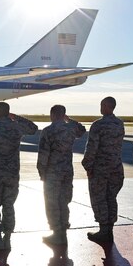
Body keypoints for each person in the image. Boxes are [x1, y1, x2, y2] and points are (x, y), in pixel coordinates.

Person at [0, 102, 37, 250]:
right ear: (8, 113)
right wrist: (16, 118)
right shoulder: (16, 127)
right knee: (8, 205)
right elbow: (33, 128)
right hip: (12, 175)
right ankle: (8, 237)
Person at [37, 105, 86, 245]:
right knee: (64, 201)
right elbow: (82, 130)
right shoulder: (70, 128)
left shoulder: (48, 131)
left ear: (52, 114)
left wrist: (41, 172)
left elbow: (43, 154)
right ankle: (63, 229)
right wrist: (69, 120)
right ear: (63, 114)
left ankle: (57, 233)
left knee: (52, 202)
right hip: (67, 171)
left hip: (52, 173)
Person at [82, 97, 125, 242]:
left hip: (101, 168)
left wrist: (88, 165)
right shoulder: (120, 124)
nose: (100, 107)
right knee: (111, 198)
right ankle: (109, 229)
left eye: (102, 105)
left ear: (107, 106)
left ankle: (103, 230)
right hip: (116, 167)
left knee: (99, 198)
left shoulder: (98, 125)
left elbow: (92, 148)